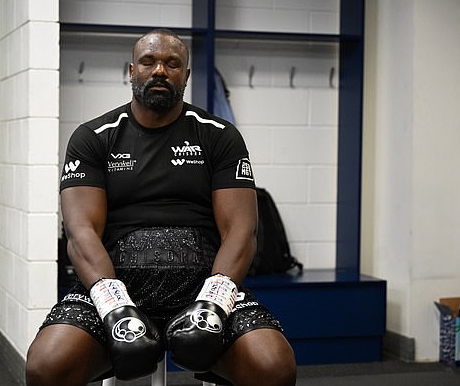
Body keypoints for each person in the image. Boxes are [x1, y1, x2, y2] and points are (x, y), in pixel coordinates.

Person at [25, 29, 297, 386]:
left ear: (185, 76)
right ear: (131, 70)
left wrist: (213, 305)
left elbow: (241, 231)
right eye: (148, 61)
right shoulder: (94, 137)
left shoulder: (218, 135)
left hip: (205, 285)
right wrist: (115, 309)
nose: (159, 71)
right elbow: (80, 233)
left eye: (172, 64)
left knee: (274, 367)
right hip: (115, 283)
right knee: (46, 366)